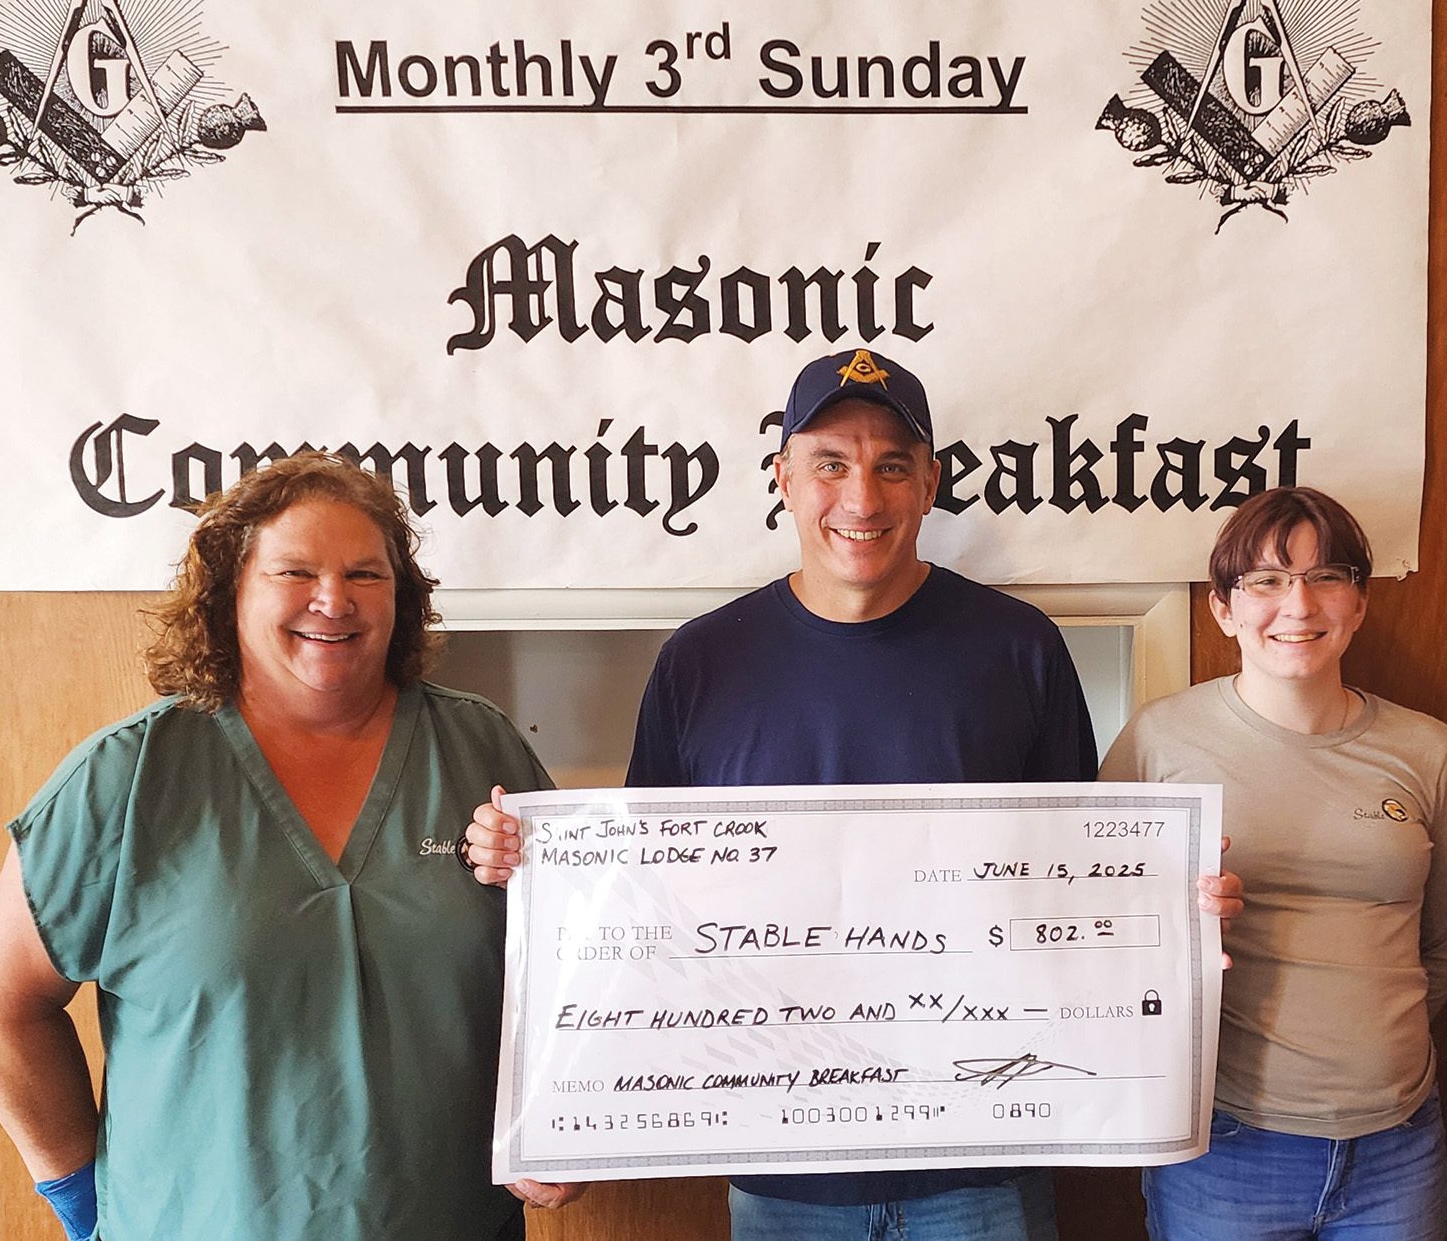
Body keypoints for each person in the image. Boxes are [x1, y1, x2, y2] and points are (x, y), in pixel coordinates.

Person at [463, 346, 1241, 1241]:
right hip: (781, 1163)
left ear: (929, 484)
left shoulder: (1018, 649)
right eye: (830, 464)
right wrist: (539, 862)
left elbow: (1074, 887)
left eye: (892, 467)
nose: (862, 499)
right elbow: (646, 904)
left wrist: (1174, 908)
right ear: (784, 478)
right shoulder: (702, 662)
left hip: (984, 1157)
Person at [0, 451, 581, 1241]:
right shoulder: (129, 777)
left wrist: (563, 1125)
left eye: (367, 574)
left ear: (403, 597)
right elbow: (4, 1006)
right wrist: (82, 1200)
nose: (334, 599)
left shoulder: (479, 751)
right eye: (295, 572)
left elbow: (579, 978)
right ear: (229, 592)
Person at [1103, 485, 1447, 1241]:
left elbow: (1444, 946)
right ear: (1222, 608)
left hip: (1398, 1142)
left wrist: (1365, 1061)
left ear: (1359, 602)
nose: (1298, 606)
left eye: (1326, 577)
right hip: (1226, 1142)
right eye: (1267, 581)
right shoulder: (1159, 742)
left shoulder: (1427, 750)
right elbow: (1106, 932)